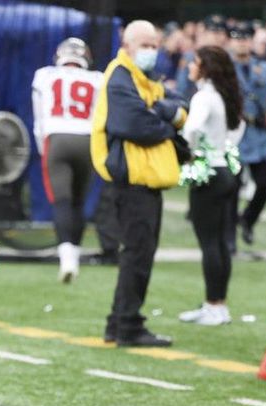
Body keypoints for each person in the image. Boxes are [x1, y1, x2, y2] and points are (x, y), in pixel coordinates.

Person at [91, 20, 187, 347]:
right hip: (132, 182)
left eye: (155, 45)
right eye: (145, 45)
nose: (151, 51)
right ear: (127, 45)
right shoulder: (121, 76)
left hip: (145, 181)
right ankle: (128, 326)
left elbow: (181, 104)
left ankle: (119, 322)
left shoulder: (145, 78)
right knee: (137, 255)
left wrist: (161, 111)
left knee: (139, 254)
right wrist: (169, 126)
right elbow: (135, 124)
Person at [178, 46, 245, 326]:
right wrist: (221, 149)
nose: (190, 66)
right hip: (225, 171)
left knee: (209, 243)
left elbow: (191, 129)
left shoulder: (204, 96)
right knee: (220, 242)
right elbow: (238, 129)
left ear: (206, 67)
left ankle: (214, 307)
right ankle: (217, 305)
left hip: (209, 174)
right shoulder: (224, 95)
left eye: (194, 62)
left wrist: (192, 153)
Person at [31, 37, 104, 282]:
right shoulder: (97, 79)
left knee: (62, 200)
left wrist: (43, 147)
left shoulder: (44, 75)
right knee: (78, 202)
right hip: (87, 140)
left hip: (57, 139)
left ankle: (67, 258)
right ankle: (75, 253)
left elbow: (39, 117)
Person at [230, 21, 266, 246]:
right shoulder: (224, 68)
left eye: (245, 38)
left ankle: (247, 220)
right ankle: (229, 239)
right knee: (232, 188)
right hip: (235, 135)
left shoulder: (265, 69)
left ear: (251, 41)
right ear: (231, 41)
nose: (241, 43)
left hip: (260, 135)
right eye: (237, 38)